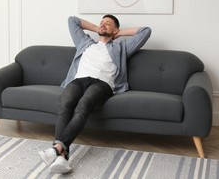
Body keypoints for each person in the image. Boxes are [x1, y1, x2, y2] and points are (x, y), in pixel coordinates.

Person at [38, 15, 151, 174]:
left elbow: (146, 31)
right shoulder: (85, 43)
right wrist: (98, 28)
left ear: (115, 29)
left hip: (101, 84)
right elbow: (72, 20)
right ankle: (61, 157)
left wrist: (119, 33)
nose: (103, 24)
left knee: (82, 107)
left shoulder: (121, 48)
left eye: (108, 23)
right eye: (101, 22)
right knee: (65, 107)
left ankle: (56, 148)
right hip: (78, 81)